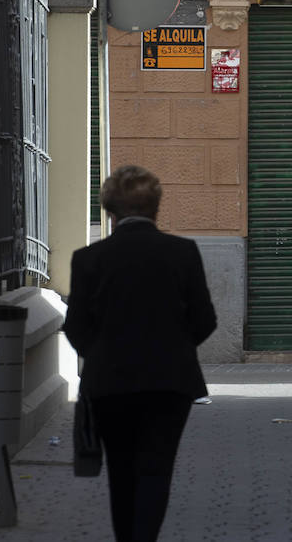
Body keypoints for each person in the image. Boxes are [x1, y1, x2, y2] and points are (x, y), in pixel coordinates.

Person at [64, 165, 217, 542]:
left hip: (110, 383)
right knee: (156, 469)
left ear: (110, 210)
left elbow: (76, 325)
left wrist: (99, 355)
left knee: (121, 470)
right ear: (156, 207)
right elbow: (205, 319)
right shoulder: (182, 252)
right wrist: (175, 348)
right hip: (170, 382)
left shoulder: (89, 258)